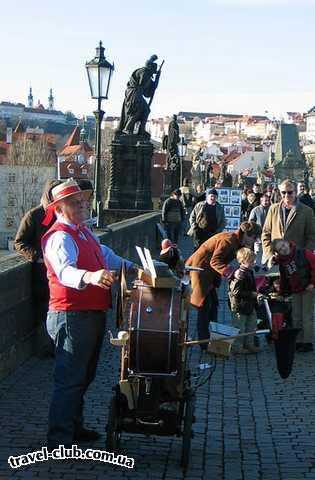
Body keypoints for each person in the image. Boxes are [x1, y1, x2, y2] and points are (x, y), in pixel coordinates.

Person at [41, 179, 136, 449]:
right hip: (71, 314)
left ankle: (74, 426)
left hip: (90, 313)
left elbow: (104, 254)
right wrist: (91, 276)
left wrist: (133, 267)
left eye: (83, 201)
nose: (83, 205)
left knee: (83, 375)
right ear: (59, 208)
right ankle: (59, 438)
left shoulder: (82, 231)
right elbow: (65, 271)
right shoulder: (59, 236)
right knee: (70, 377)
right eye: (76, 202)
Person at [185, 221, 262, 352]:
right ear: (246, 235)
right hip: (200, 270)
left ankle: (213, 341)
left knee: (213, 306)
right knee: (204, 307)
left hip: (208, 272)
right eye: (254, 237)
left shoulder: (237, 240)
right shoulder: (229, 241)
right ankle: (205, 345)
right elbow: (215, 261)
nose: (255, 240)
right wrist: (232, 272)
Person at [14, 179, 61, 356]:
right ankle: (45, 349)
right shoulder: (34, 215)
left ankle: (55, 347)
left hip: (57, 274)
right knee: (43, 312)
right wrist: (37, 257)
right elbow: (19, 242)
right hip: (41, 275)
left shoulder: (60, 214)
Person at [270, 238, 315, 352]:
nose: (283, 249)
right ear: (278, 252)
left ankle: (307, 342)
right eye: (280, 249)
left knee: (306, 316)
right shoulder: (282, 261)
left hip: (307, 288)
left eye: (283, 245)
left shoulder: (303, 253)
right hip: (295, 290)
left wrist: (312, 283)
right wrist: (281, 293)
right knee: (296, 316)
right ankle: (298, 341)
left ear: (287, 243)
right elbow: (284, 278)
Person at [262, 179, 315, 262]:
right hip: (275, 258)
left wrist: (304, 255)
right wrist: (269, 254)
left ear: (295, 192)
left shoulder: (307, 211)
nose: (286, 195)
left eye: (290, 192)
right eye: (283, 192)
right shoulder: (273, 209)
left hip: (297, 260)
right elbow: (266, 233)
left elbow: (312, 236)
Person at [228, 248, 261, 354]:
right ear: (242, 261)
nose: (253, 263)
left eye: (253, 261)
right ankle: (237, 347)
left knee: (251, 325)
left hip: (249, 304)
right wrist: (252, 294)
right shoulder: (239, 274)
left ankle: (249, 344)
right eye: (251, 261)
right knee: (240, 327)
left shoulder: (248, 271)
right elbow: (236, 292)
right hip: (240, 305)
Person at [118, 55, 160, 135]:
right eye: (154, 70)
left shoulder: (148, 75)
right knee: (137, 110)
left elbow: (147, 93)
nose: (154, 72)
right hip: (133, 93)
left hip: (137, 93)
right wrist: (152, 58)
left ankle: (141, 130)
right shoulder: (144, 72)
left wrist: (156, 80)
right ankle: (127, 128)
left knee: (146, 110)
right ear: (151, 68)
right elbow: (143, 85)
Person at [249, 194, 271, 260]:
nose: (266, 202)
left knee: (266, 250)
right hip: (258, 234)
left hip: (268, 234)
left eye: (268, 200)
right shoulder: (255, 210)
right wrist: (254, 233)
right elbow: (251, 222)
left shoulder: (271, 210)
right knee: (258, 250)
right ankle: (256, 265)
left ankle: (264, 265)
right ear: (261, 201)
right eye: (265, 200)